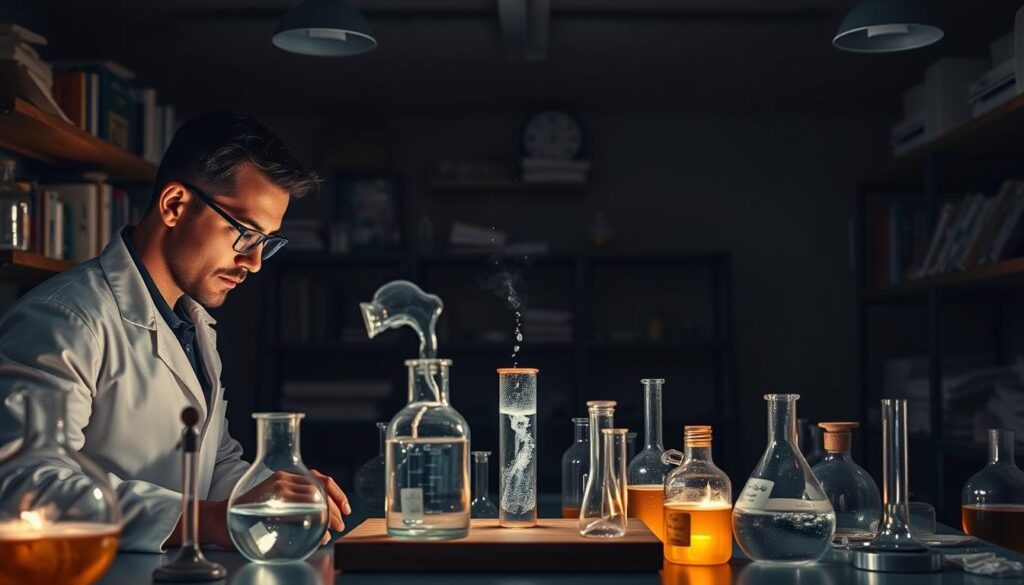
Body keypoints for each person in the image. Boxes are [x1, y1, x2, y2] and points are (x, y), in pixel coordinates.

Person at [0, 112, 350, 552]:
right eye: (245, 234)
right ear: (174, 205)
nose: (255, 262)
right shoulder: (63, 318)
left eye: (267, 242)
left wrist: (278, 497)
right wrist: (213, 521)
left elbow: (213, 464)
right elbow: (24, 487)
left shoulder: (190, 322)